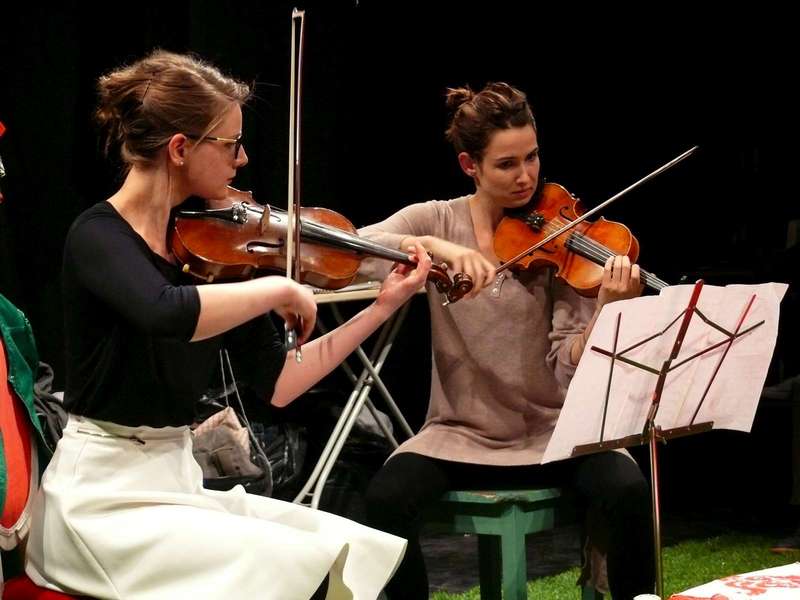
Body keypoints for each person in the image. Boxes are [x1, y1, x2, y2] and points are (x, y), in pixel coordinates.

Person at [23, 49, 432, 600]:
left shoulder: (210, 253)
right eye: (230, 143)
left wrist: (380, 308)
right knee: (298, 568)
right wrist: (277, 288)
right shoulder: (97, 237)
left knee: (358, 550)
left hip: (176, 485)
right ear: (179, 149)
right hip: (101, 504)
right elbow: (165, 311)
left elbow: (281, 382)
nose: (242, 159)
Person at [357, 82, 655, 599]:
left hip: (555, 434)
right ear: (469, 165)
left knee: (628, 490)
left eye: (532, 157)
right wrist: (430, 247)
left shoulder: (563, 236)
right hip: (459, 433)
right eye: (506, 164)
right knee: (385, 500)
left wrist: (606, 309)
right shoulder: (436, 219)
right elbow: (353, 246)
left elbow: (566, 366)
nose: (526, 177)